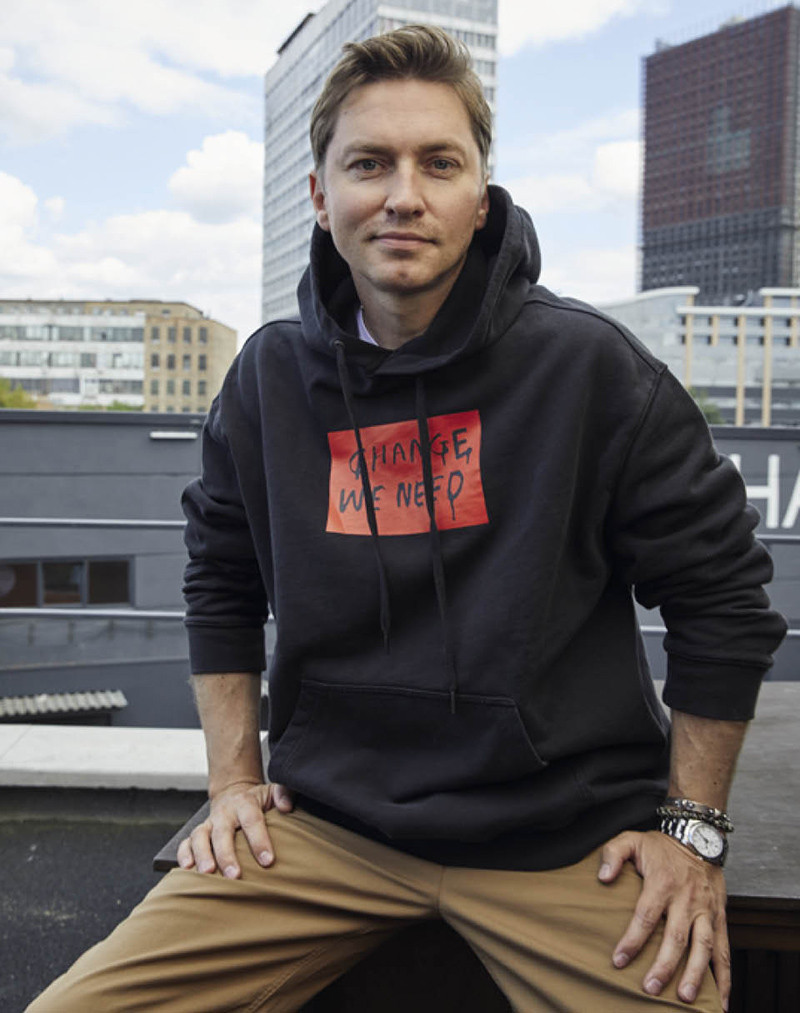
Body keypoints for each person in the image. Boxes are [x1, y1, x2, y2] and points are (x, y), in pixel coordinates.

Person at [29, 24, 786, 1013]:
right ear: (318, 195)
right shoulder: (266, 379)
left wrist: (691, 829)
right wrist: (232, 782)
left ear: (481, 197)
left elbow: (721, 597)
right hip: (325, 830)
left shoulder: (589, 370)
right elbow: (221, 574)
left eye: (438, 162)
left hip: (567, 840)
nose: (402, 195)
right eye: (368, 164)